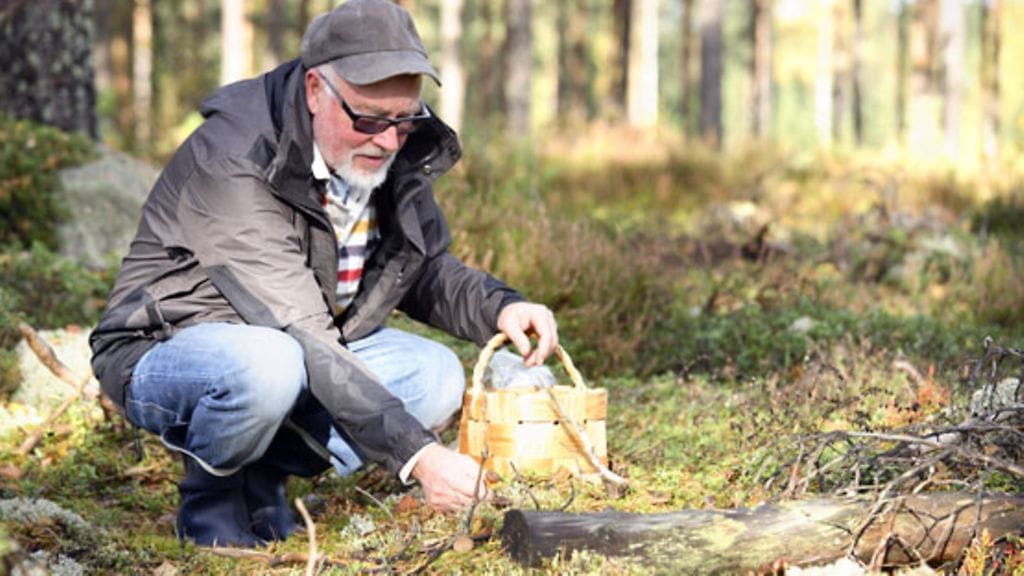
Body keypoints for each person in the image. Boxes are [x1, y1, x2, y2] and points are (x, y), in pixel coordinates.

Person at [89, 0, 558, 548]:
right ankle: (210, 499)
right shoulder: (234, 159)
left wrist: (499, 306)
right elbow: (299, 329)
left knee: (434, 375)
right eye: (368, 119)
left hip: (302, 343)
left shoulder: (387, 150)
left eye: (405, 120)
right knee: (267, 364)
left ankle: (266, 481)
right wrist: (418, 456)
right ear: (315, 90)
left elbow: (421, 268)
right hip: (168, 350)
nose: (386, 140)